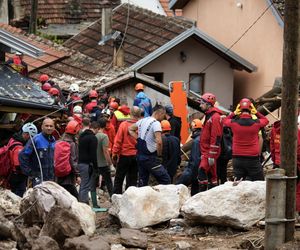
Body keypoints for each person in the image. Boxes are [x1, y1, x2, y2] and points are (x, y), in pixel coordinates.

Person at [223, 98, 269, 181]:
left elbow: (225, 121)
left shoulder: (233, 123)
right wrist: (256, 113)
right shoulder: (256, 123)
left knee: (238, 183)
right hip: (252, 158)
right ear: (251, 109)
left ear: (239, 109)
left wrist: (234, 113)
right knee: (258, 183)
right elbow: (266, 120)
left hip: (237, 158)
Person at [129, 105, 171, 186]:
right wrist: (159, 155)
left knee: (142, 181)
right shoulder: (156, 123)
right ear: (160, 113)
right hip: (150, 158)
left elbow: (130, 129)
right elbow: (159, 141)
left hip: (140, 156)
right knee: (166, 179)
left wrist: (138, 139)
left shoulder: (142, 120)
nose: (164, 117)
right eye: (163, 115)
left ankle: (141, 197)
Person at [112, 106, 141, 194]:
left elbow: (118, 141)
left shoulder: (124, 125)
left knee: (119, 179)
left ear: (130, 113)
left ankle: (116, 198)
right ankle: (130, 198)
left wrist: (114, 153)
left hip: (124, 155)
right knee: (132, 179)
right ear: (139, 115)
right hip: (136, 156)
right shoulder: (141, 125)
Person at [19, 118, 56, 186]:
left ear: (54, 128)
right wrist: (30, 172)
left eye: (51, 126)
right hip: (38, 178)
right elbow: (22, 156)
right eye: (46, 126)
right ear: (42, 127)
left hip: (51, 177)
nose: (49, 128)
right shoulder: (35, 140)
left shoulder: (53, 140)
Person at [198, 93, 223, 191]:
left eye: (202, 103)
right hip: (207, 151)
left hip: (209, 152)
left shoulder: (215, 117)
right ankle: (213, 193)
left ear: (208, 104)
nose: (200, 105)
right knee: (213, 176)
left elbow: (216, 137)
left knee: (202, 171)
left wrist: (212, 154)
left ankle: (202, 195)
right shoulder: (209, 116)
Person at [8, 123, 38, 197]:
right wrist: (30, 172)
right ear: (27, 135)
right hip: (17, 176)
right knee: (18, 196)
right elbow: (18, 164)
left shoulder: (12, 140)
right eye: (31, 137)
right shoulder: (19, 147)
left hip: (12, 174)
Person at [91, 118, 114, 208]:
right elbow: (105, 152)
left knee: (93, 183)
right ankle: (113, 199)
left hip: (94, 164)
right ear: (105, 126)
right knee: (109, 183)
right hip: (103, 164)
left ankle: (94, 204)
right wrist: (110, 164)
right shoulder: (104, 136)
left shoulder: (93, 136)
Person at [55, 120, 80, 199]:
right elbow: (73, 160)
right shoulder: (72, 144)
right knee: (74, 197)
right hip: (68, 175)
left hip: (58, 173)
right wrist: (78, 174)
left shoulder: (59, 141)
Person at [176, 119, 202, 195]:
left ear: (193, 128)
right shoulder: (201, 138)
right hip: (199, 170)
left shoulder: (196, 141)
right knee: (195, 191)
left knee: (179, 186)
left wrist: (191, 173)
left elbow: (195, 159)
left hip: (193, 170)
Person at [78, 120, 99, 204]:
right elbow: (93, 154)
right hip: (87, 164)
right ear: (96, 129)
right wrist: (96, 167)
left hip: (80, 162)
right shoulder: (93, 138)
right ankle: (83, 202)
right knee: (85, 184)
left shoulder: (82, 136)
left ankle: (81, 200)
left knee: (83, 183)